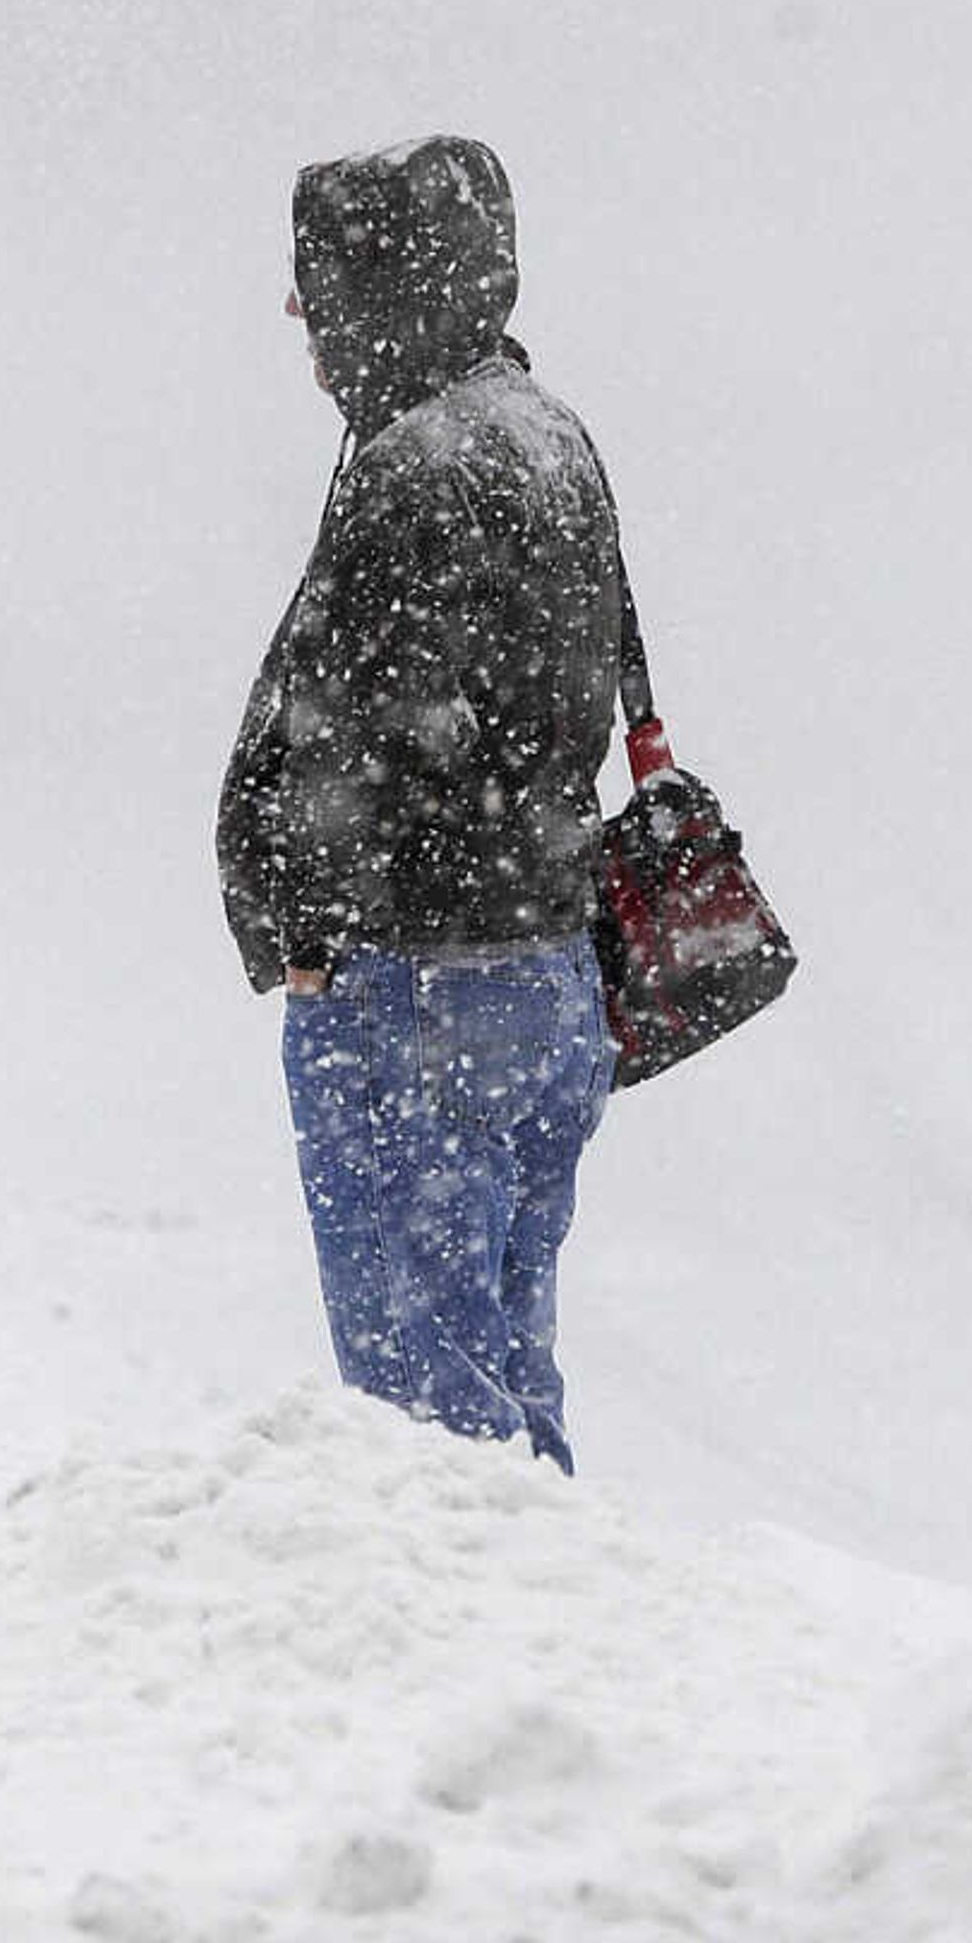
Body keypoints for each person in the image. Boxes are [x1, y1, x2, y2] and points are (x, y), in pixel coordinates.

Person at [217, 135, 625, 1474]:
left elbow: (373, 742)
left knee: (426, 1434)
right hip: (541, 977)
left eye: (322, 287)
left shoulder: (416, 469)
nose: (299, 318)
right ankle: (560, 1640)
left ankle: (492, 1663)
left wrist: (317, 933)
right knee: (505, 1381)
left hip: (414, 997)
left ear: (391, 291)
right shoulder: (550, 433)